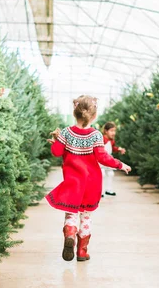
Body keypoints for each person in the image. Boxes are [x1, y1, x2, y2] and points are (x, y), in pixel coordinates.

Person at [46, 95, 131, 262]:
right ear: (94, 116)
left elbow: (56, 152)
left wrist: (56, 141)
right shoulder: (96, 135)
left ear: (75, 112)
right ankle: (82, 252)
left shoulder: (66, 132)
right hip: (91, 184)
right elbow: (103, 158)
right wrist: (120, 164)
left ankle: (70, 232)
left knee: (71, 213)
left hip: (72, 183)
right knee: (86, 216)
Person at [101, 122, 126, 197]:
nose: (113, 133)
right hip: (101, 160)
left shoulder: (111, 141)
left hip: (108, 160)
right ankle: (100, 191)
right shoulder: (102, 139)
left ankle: (108, 189)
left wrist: (119, 149)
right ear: (106, 131)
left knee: (110, 174)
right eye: (111, 131)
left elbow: (113, 148)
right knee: (102, 174)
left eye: (114, 131)